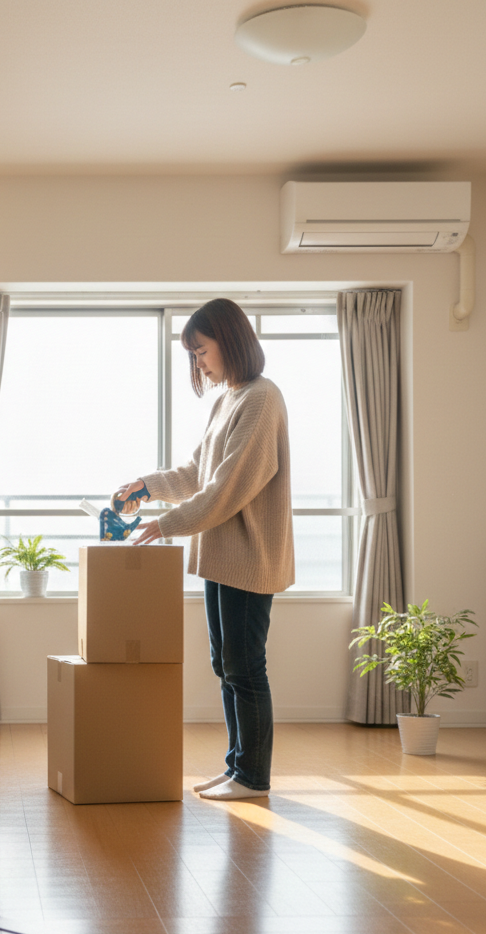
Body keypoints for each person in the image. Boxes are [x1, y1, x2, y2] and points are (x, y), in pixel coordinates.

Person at [115, 298, 294, 800]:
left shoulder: (262, 398)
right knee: (226, 665)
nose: (198, 363)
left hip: (249, 558)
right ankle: (238, 766)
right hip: (221, 557)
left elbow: (226, 489)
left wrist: (166, 523)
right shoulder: (228, 399)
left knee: (244, 666)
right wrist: (145, 487)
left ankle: (254, 778)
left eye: (201, 350)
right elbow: (198, 474)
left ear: (229, 339)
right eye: (192, 355)